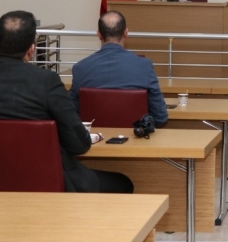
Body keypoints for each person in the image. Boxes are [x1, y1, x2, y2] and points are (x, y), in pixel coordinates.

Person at [0, 10, 133, 193]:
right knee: (123, 183)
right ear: (32, 49)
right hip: (48, 184)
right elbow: (78, 144)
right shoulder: (46, 82)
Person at [70, 11, 168, 127]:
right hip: (135, 137)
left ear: (99, 35)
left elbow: (71, 115)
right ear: (126, 33)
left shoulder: (80, 68)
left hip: (93, 137)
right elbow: (160, 117)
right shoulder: (144, 66)